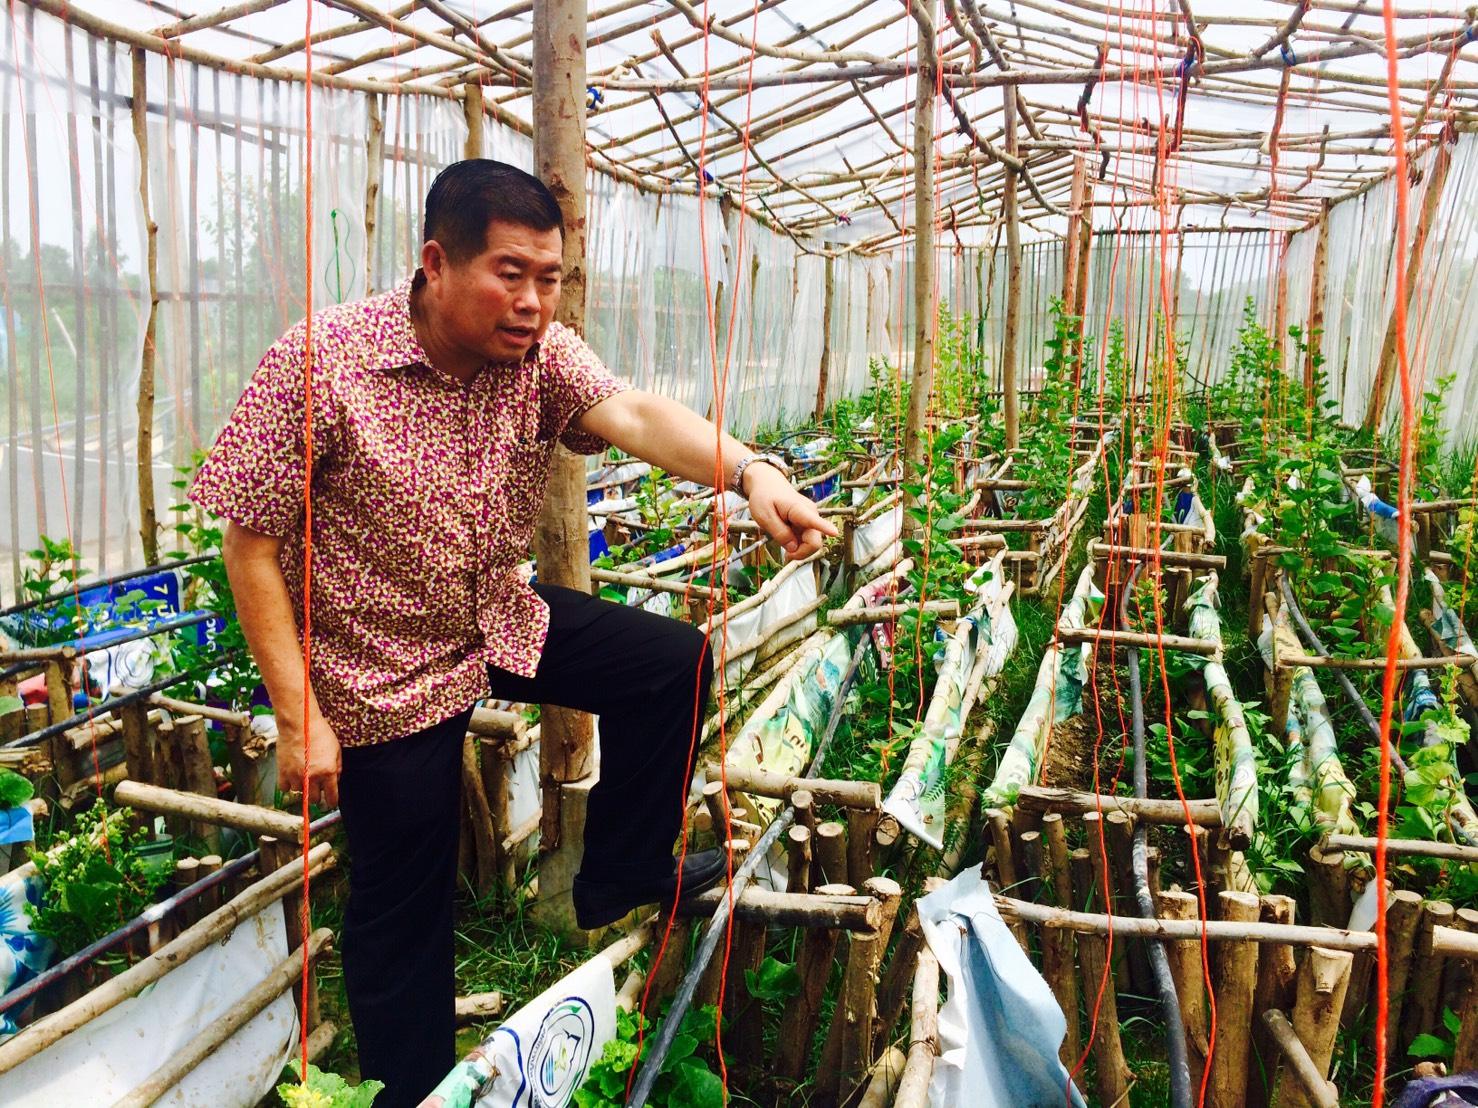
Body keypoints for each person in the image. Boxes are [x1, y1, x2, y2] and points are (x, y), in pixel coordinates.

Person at [189, 159, 837, 1107]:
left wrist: (751, 473)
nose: (534, 301)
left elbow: (634, 412)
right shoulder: (321, 363)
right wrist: (299, 716)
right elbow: (249, 541)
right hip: (380, 670)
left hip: (496, 616)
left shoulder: (539, 355)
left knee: (673, 663)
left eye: (550, 278)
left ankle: (619, 872)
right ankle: (411, 1092)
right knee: (405, 906)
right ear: (435, 263)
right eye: (511, 273)